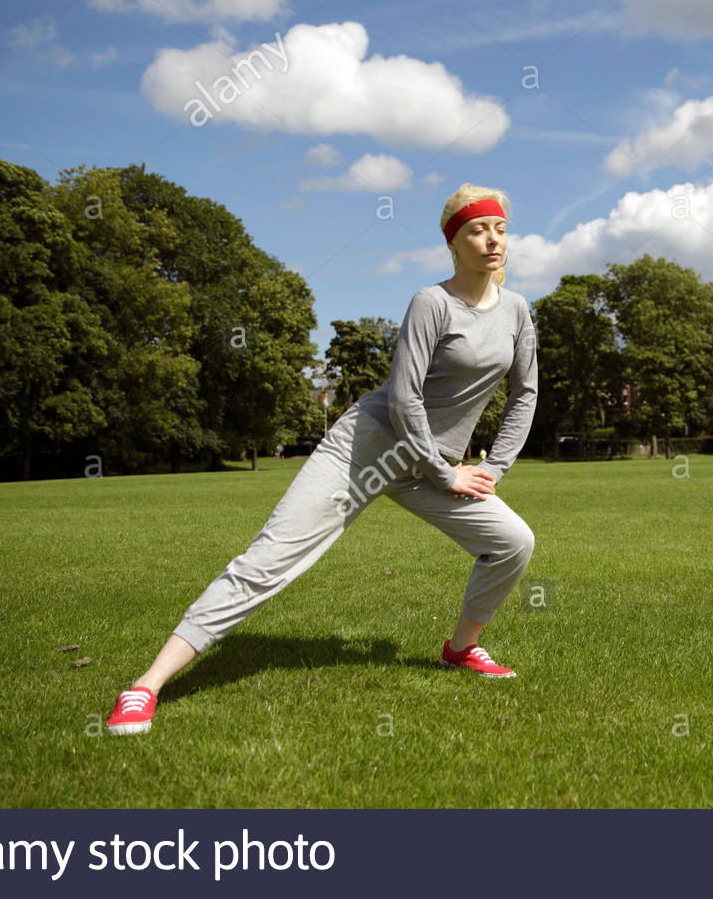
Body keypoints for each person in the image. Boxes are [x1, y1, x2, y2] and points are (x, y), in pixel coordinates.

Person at [106, 183, 539, 735]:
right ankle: (145, 687)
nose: (492, 240)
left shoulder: (517, 311)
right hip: (370, 447)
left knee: (512, 542)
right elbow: (405, 398)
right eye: (478, 230)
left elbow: (524, 394)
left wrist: (493, 470)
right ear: (454, 243)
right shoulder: (432, 303)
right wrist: (442, 471)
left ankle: (460, 649)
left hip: (437, 467)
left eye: (500, 229)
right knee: (267, 561)